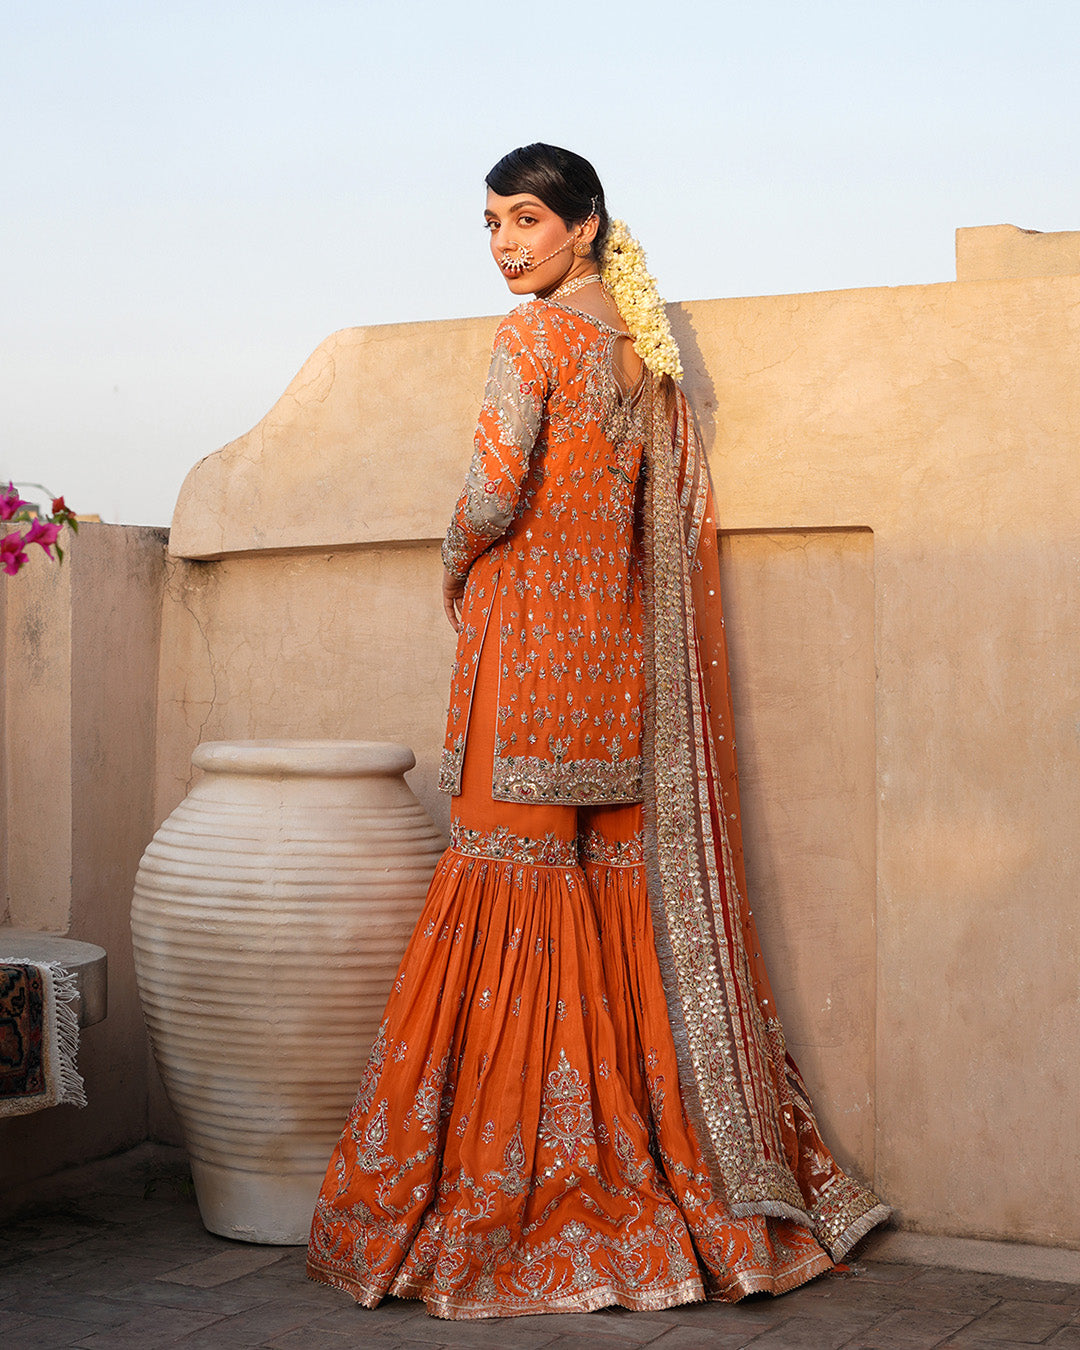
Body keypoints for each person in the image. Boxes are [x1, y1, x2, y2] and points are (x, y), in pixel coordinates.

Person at [306, 143, 888, 1320]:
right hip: (618, 678)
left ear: (583, 227)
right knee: (603, 912)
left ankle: (519, 1211)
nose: (505, 245)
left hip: (526, 669)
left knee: (507, 906)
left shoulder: (530, 342)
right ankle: (664, 1196)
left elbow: (490, 492)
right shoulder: (641, 352)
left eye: (525, 221)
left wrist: (453, 561)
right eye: (489, 224)